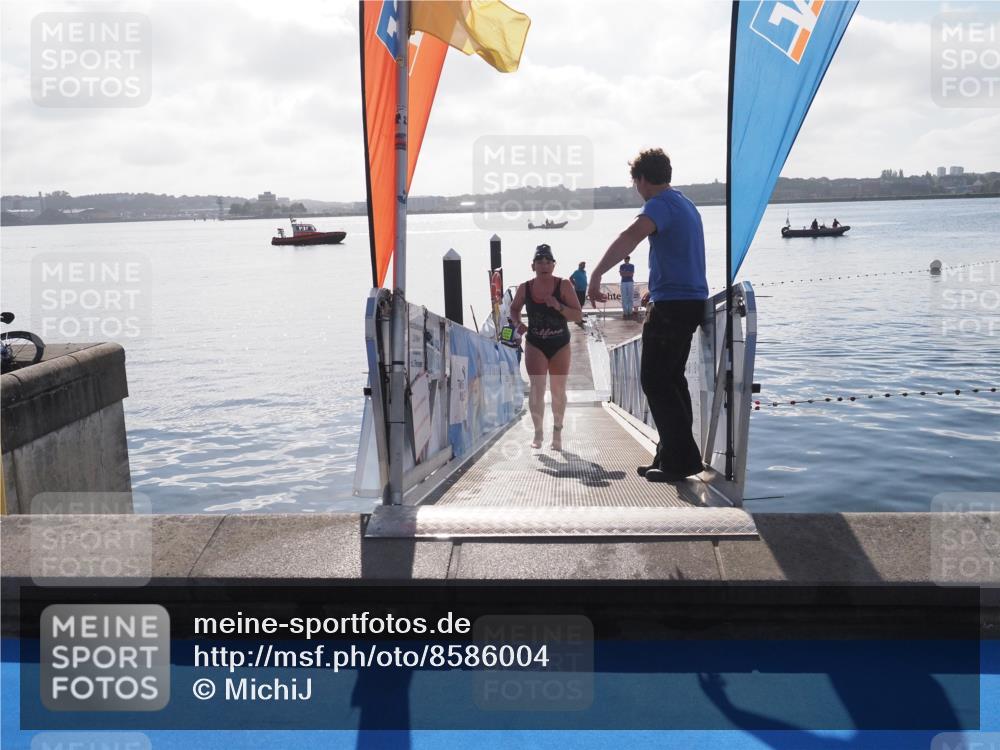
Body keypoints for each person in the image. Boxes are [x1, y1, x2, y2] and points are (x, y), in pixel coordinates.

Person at [588, 148, 708, 482]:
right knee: (671, 379)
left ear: (642, 179)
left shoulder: (659, 205)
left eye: (635, 182)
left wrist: (596, 275)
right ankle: (671, 454)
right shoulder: (684, 203)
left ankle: (681, 460)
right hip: (689, 301)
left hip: (672, 306)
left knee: (654, 380)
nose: (636, 189)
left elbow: (629, 237)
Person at [510, 244, 584, 450]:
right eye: (539, 261)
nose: (544, 265)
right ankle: (538, 433)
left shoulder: (564, 285)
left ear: (553, 265)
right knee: (537, 388)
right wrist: (517, 324)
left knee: (558, 390)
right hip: (535, 343)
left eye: (548, 261)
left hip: (560, 343)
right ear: (532, 265)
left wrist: (558, 306)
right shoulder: (525, 287)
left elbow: (577, 315)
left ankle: (557, 433)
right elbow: (514, 308)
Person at [569, 262, 588, 328]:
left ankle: (579, 318)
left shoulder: (584, 272)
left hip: (583, 290)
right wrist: (575, 284)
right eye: (582, 265)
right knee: (578, 304)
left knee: (581, 304)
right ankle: (577, 319)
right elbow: (571, 278)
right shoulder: (576, 272)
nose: (584, 266)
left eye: (584, 265)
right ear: (579, 265)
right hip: (578, 290)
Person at [619, 255, 635, 319]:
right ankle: (625, 312)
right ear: (624, 259)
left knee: (630, 297)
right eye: (625, 258)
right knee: (624, 297)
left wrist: (625, 273)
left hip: (630, 282)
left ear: (629, 259)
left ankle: (630, 312)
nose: (626, 259)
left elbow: (631, 274)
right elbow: (621, 274)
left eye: (627, 258)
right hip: (623, 282)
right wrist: (627, 273)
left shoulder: (632, 266)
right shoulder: (621, 266)